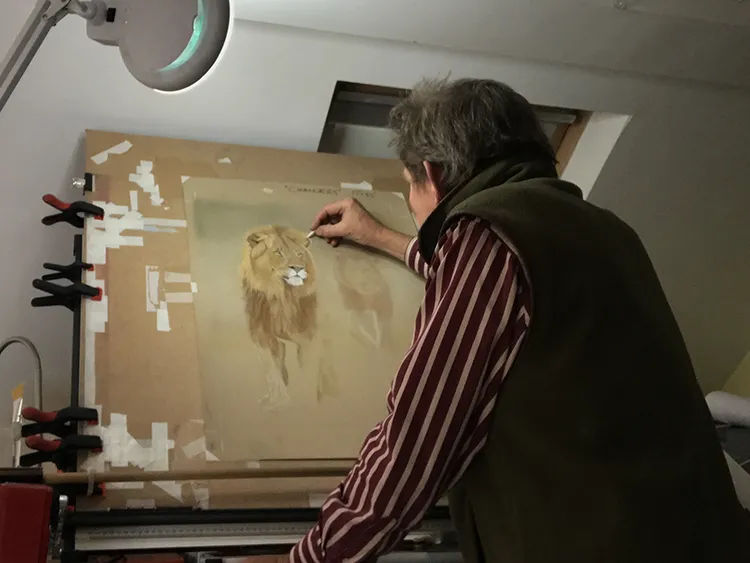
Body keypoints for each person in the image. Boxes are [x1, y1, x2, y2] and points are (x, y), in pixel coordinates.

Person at [251, 78, 749, 563]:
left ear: (433, 174)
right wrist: (380, 235)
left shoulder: (485, 239)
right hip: (705, 529)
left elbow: (417, 442)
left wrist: (310, 557)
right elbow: (496, 293)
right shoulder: (605, 228)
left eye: (408, 187)